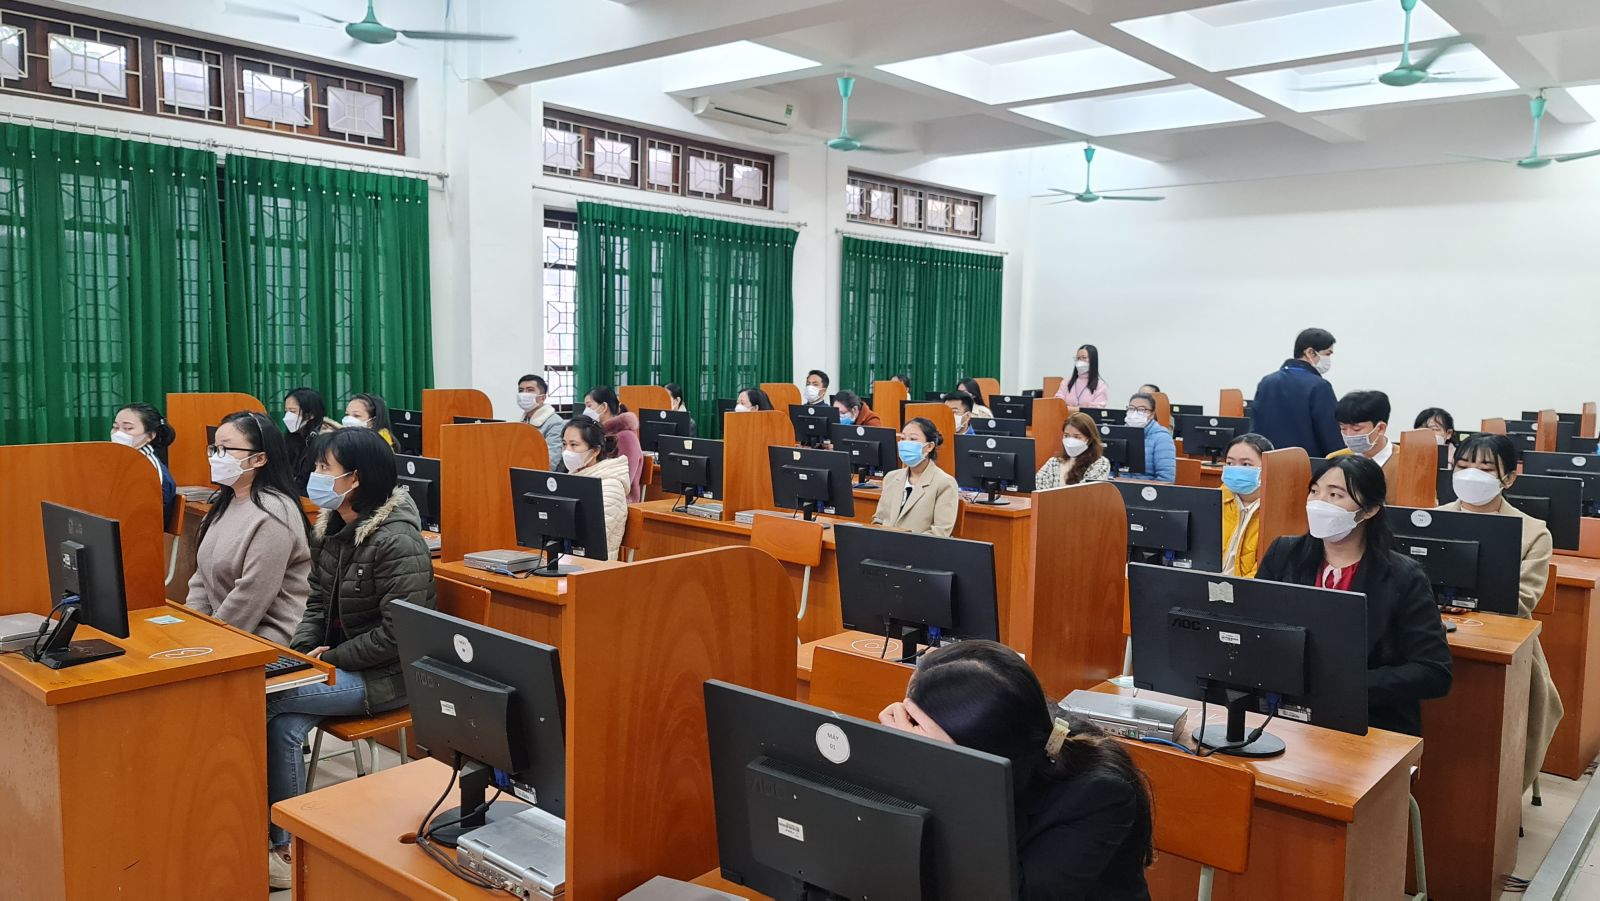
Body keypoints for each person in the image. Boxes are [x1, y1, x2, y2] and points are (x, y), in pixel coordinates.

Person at [269, 428, 437, 887]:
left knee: (267, 697)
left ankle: (273, 834)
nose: (315, 476)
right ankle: (285, 843)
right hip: (337, 664)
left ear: (356, 479)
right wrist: (302, 650)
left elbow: (399, 634)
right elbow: (316, 601)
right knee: (283, 725)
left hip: (387, 676)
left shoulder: (397, 541)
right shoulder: (330, 527)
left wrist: (334, 658)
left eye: (325, 468)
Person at [878, 640, 1153, 900]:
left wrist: (949, 777)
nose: (908, 725)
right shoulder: (1012, 725)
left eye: (916, 721)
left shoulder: (1099, 795)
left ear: (978, 747)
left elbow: (1014, 894)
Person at [1257, 456, 1453, 735]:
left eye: (1335, 495)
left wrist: (1347, 685)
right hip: (1285, 713)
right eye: (1314, 491)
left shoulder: (1404, 576)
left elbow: (1434, 672)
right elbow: (1256, 630)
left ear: (1369, 510)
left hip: (1370, 721)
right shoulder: (1284, 554)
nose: (1319, 503)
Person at [1441, 434, 1562, 790]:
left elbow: (1524, 598)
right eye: (1463, 466)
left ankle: (1501, 794)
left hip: (1506, 646)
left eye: (1484, 468)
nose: (1471, 475)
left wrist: (1463, 605)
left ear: (1509, 478)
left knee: (1530, 705)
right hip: (1433, 634)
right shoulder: (1432, 518)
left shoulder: (1533, 532)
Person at [185, 411, 311, 645]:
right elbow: (201, 577)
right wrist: (191, 628)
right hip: (226, 631)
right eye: (214, 449)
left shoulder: (275, 512)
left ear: (259, 459)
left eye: (226, 449)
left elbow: (253, 594)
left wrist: (209, 640)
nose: (216, 457)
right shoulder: (222, 505)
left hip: (271, 636)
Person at [1251, 327, 1341, 457]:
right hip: (1305, 464)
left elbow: (1255, 430)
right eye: (1327, 354)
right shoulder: (1319, 386)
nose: (1328, 359)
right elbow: (1331, 435)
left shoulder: (1266, 382)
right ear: (1310, 352)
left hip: (1266, 461)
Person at [559, 417, 631, 561]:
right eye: (564, 444)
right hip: (569, 559)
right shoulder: (574, 477)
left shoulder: (610, 486)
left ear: (595, 451)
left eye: (574, 445)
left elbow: (594, 536)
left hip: (594, 565)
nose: (567, 451)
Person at [874, 417, 959, 537]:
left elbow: (940, 532)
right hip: (884, 545)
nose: (905, 443)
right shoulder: (891, 477)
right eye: (903, 438)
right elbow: (878, 519)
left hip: (920, 547)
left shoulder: (945, 483)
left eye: (913, 439)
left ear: (929, 446)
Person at [112, 402, 178, 527]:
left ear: (150, 436)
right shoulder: (122, 461)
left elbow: (143, 517)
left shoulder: (149, 469)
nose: (118, 434)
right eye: (115, 427)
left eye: (128, 428)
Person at [1220, 433, 1274, 579]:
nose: (1236, 469)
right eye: (1230, 463)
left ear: (1267, 467)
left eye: (1246, 464)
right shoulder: (1216, 499)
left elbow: (1267, 569)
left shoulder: (1277, 510)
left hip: (1249, 588)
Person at [583, 386, 643, 503]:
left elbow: (625, 480)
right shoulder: (598, 434)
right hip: (597, 494)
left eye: (589, 406)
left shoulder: (626, 437)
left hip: (620, 500)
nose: (585, 411)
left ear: (604, 407)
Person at [1327, 390, 1400, 484]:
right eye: (1343, 428)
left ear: (1380, 428)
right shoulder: (1335, 459)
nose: (1349, 435)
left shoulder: (1406, 460)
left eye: (1356, 429)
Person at [283, 388, 341, 492]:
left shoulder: (327, 440)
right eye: (286, 411)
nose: (287, 416)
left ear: (311, 415)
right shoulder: (293, 437)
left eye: (293, 411)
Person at [1036, 411, 1111, 489]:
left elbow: (1087, 492)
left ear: (1089, 439)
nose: (1070, 441)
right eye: (1066, 436)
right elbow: (1038, 486)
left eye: (1077, 437)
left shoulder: (1100, 463)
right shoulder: (1054, 462)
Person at [1119, 393, 1176, 483]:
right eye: (1131, 408)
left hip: (1147, 488)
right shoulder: (1120, 433)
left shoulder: (1162, 438)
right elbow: (1110, 469)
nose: (1135, 413)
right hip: (1118, 486)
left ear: (1152, 414)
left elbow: (1166, 478)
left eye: (1142, 409)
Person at [516, 374, 565, 470]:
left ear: (542, 397)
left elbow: (550, 461)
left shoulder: (555, 423)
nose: (524, 394)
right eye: (521, 390)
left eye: (530, 390)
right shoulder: (524, 420)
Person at [1057, 344, 1108, 409]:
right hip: (1066, 416)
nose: (1080, 361)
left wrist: (1071, 409)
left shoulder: (1100, 385)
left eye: (1084, 358)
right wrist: (1080, 409)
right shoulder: (1066, 382)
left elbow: (1096, 410)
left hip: (1087, 416)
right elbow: (1058, 403)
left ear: (1093, 360)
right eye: (1078, 358)